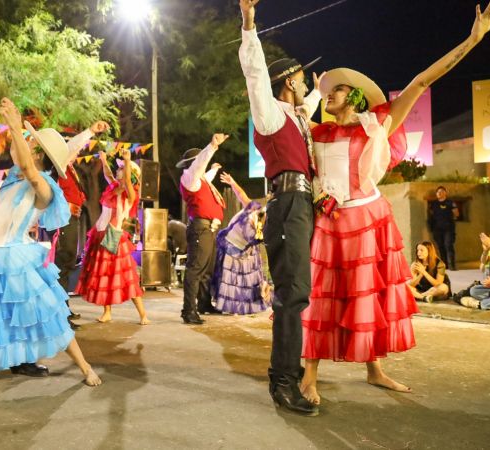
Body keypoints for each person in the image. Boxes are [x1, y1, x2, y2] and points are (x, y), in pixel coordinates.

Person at [299, 0, 490, 407]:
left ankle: (374, 369)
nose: (329, 95)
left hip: (367, 219)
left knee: (367, 296)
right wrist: (308, 92)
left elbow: (421, 81)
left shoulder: (378, 123)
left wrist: (472, 40)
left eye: (336, 89)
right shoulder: (317, 131)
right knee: (322, 296)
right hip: (329, 223)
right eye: (326, 91)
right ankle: (309, 376)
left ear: (354, 95)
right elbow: (281, 116)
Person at [0, 98, 102, 412]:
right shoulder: (15, 177)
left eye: (33, 145)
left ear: (41, 156)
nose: (27, 146)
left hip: (16, 258)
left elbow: (29, 167)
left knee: (50, 315)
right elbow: (21, 160)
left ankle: (85, 367)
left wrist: (17, 127)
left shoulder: (45, 188)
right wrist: (10, 125)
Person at [239, 0, 322, 416]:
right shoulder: (270, 114)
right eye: (302, 80)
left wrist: (321, 89)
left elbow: (308, 108)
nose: (306, 86)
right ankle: (284, 382)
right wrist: (249, 24)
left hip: (301, 204)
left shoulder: (297, 115)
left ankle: (288, 372)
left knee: (298, 292)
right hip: (288, 204)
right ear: (289, 82)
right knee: (292, 295)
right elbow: (256, 74)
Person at [74, 149, 148, 325]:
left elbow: (128, 181)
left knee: (126, 277)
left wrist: (127, 161)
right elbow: (107, 174)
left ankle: (143, 315)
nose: (118, 170)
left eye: (121, 169)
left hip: (113, 236)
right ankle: (107, 312)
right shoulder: (113, 187)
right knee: (104, 275)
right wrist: (103, 160)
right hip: (100, 234)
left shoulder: (130, 193)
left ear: (130, 174)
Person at [51, 120, 111, 330]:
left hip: (72, 218)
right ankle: (60, 314)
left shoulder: (68, 168)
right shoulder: (59, 165)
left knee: (67, 263)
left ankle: (64, 308)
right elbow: (71, 148)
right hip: (63, 219)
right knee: (63, 263)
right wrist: (90, 131)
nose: (76, 151)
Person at [177, 134, 229, 325]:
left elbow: (205, 174)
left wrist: (213, 169)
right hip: (201, 228)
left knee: (207, 268)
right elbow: (199, 165)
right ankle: (188, 311)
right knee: (195, 269)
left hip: (208, 229)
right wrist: (212, 146)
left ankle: (204, 303)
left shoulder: (199, 180)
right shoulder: (189, 177)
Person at [211, 172, 271, 314]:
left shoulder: (263, 228)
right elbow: (241, 195)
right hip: (230, 244)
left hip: (242, 250)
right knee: (231, 280)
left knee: (242, 280)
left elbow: (258, 239)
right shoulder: (253, 208)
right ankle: (231, 306)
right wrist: (232, 182)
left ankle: (244, 305)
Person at [428, 186, 459, 270]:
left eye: (441, 191)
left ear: (445, 193)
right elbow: (431, 214)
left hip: (448, 228)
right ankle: (445, 265)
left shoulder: (450, 203)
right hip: (437, 229)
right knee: (440, 247)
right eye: (438, 192)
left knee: (448, 245)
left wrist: (454, 215)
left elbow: (456, 214)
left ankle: (452, 265)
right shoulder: (434, 204)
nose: (439, 193)